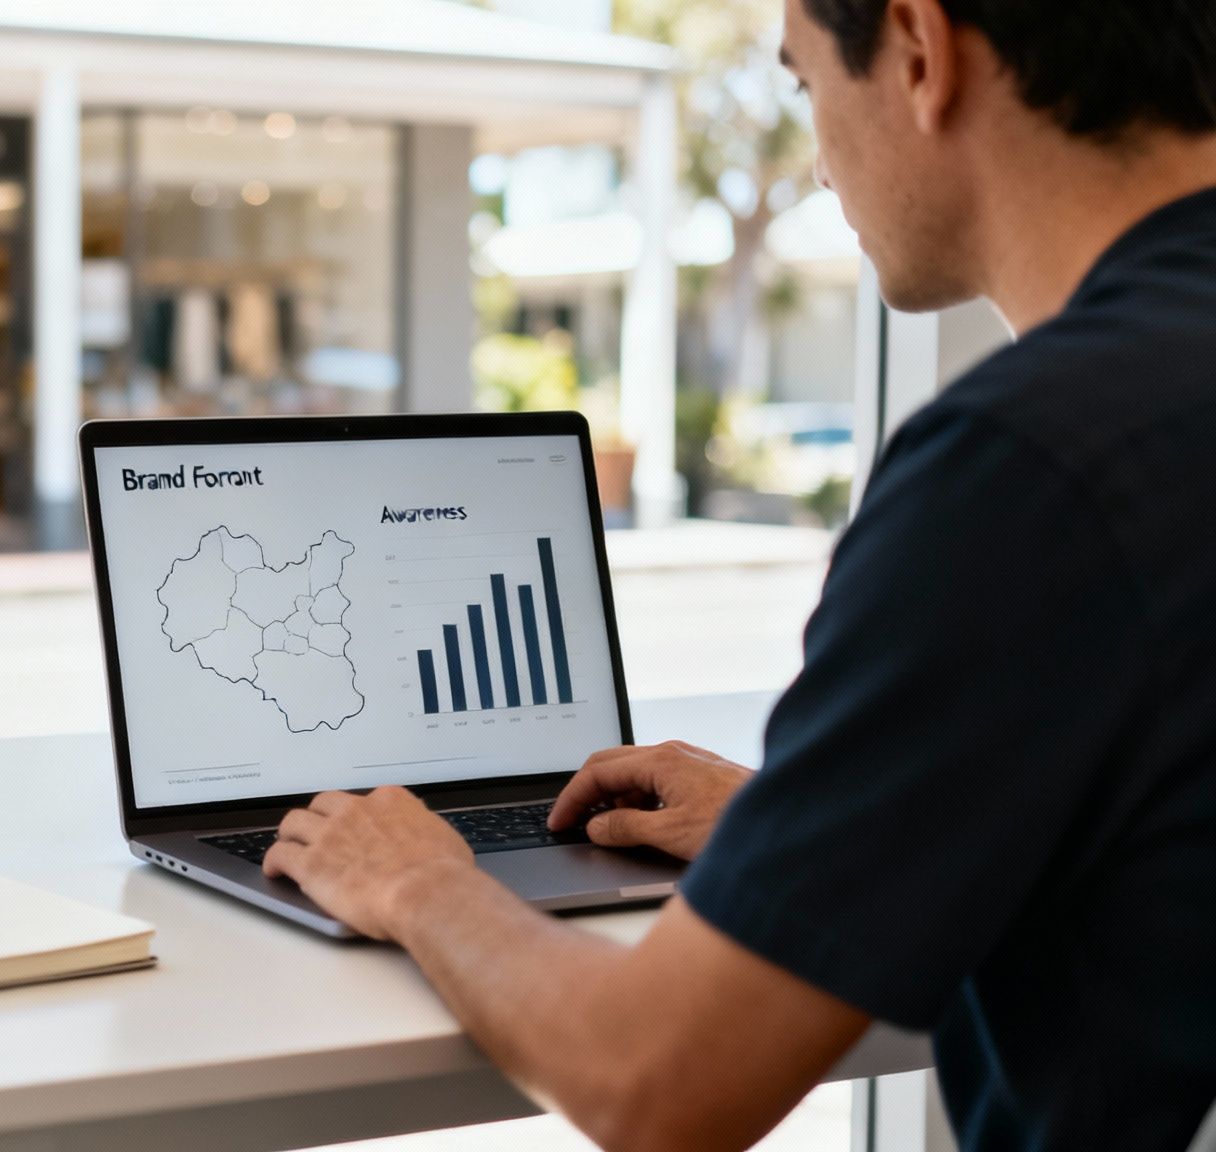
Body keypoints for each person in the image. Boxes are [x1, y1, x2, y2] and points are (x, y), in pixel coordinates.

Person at [260, 1, 1216, 1148]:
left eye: (807, 86)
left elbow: (652, 1083)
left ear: (918, 49)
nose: (815, 166)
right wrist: (802, 836)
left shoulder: (1027, 465)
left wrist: (414, 880)